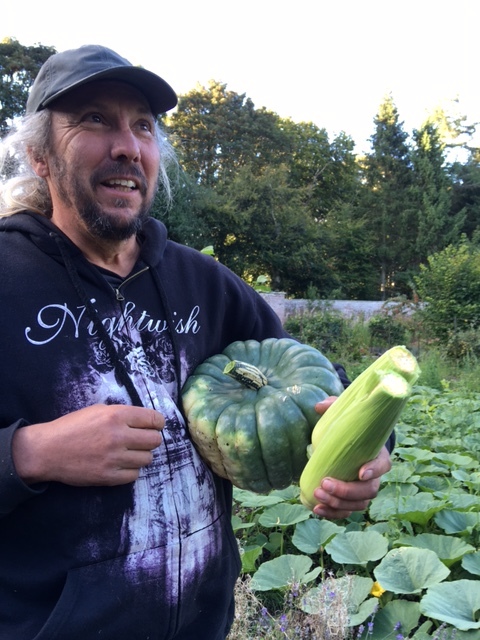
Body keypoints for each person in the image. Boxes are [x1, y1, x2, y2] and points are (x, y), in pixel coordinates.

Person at [0, 45, 392, 640]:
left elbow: (315, 378)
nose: (128, 144)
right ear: (39, 156)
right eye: (95, 120)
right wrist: (30, 454)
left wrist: (369, 444)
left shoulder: (199, 282)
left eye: (143, 126)